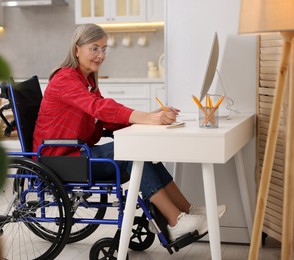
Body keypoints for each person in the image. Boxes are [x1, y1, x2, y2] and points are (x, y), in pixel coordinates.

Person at [33, 23, 226, 241]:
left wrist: (150, 118)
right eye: (94, 48)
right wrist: (147, 118)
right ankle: (175, 220)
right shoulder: (65, 79)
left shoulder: (86, 81)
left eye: (104, 49)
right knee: (132, 153)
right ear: (77, 49)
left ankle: (186, 209)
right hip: (60, 158)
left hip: (75, 152)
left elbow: (104, 117)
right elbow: (100, 108)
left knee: (145, 151)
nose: (100, 55)